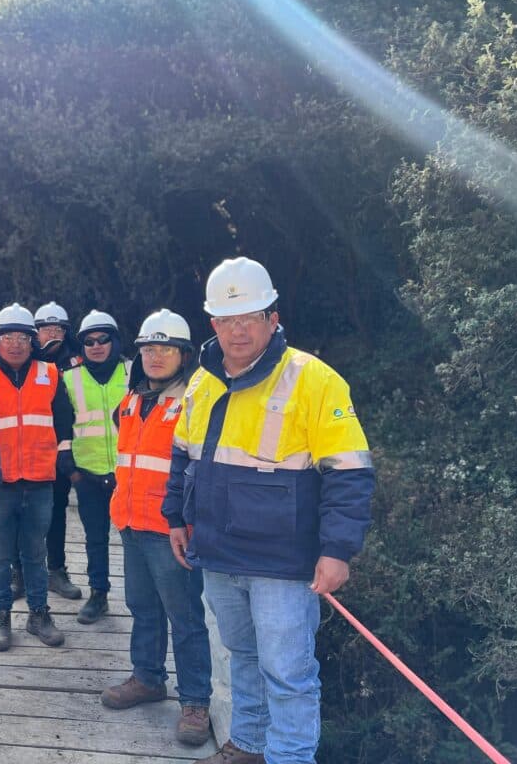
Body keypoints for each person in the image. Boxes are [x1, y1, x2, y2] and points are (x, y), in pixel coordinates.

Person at [162, 258, 374, 764]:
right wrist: (175, 517)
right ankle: (249, 744)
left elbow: (350, 473)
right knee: (243, 656)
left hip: (283, 562)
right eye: (227, 319)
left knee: (288, 673)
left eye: (250, 317)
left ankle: (289, 758)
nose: (239, 329)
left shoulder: (314, 379)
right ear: (213, 324)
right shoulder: (203, 381)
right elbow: (183, 455)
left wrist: (337, 551)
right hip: (218, 552)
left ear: (272, 318)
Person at [99, 309, 212, 748]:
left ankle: (195, 701)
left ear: (184, 355)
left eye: (166, 348)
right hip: (131, 523)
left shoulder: (194, 401)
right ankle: (147, 678)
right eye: (148, 348)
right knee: (142, 607)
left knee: (185, 617)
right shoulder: (132, 400)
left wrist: (188, 521)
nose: (155, 356)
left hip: (172, 531)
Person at [0, 303, 71, 650]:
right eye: (7, 337)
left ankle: (39, 614)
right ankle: (1, 616)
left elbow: (64, 421)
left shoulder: (50, 373)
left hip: (40, 481)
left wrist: (63, 458)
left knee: (35, 553)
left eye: (22, 338)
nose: (15, 344)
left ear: (33, 341)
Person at [56, 309, 130, 623]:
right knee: (95, 538)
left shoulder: (133, 372)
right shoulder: (69, 377)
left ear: (115, 341)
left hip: (128, 473)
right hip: (87, 473)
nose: (96, 346)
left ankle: (143, 598)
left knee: (135, 542)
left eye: (103, 339)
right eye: (89, 341)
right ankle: (99, 594)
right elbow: (62, 424)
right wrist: (71, 469)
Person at [28, 301, 84, 600]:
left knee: (57, 511)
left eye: (58, 328)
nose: (53, 333)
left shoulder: (79, 361)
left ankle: (56, 570)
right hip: (26, 450)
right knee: (22, 514)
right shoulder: (23, 358)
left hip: (62, 450)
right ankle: (20, 572)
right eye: (46, 328)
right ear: (35, 332)